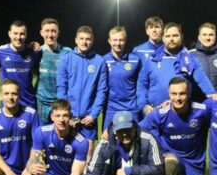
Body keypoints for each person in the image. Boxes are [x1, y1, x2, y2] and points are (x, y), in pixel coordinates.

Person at [138, 77, 210, 175]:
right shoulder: (161, 113)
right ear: (168, 94)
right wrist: (110, 132)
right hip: (171, 156)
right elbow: (138, 130)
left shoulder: (202, 111)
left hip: (194, 162)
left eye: (182, 94)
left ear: (188, 94)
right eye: (174, 94)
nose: (178, 98)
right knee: (171, 162)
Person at [138, 22, 216, 116]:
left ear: (181, 37)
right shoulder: (152, 60)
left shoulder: (190, 59)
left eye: (175, 35)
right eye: (168, 36)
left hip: (181, 114)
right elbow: (142, 84)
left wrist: (212, 93)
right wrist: (144, 105)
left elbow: (201, 78)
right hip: (155, 113)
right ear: (162, 38)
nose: (171, 39)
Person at [56, 25, 107, 161]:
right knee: (68, 151)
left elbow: (102, 90)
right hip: (70, 118)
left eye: (88, 39)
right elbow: (61, 88)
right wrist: (67, 114)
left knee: (89, 151)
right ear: (76, 40)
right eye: (82, 38)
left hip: (88, 118)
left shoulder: (100, 61)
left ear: (92, 40)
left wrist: (94, 114)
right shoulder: (66, 59)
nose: (85, 42)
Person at [0, 20, 42, 109]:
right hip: (7, 104)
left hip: (28, 104)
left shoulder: (34, 52)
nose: (18, 37)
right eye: (15, 33)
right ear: (9, 34)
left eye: (22, 34)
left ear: (26, 35)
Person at [103, 26, 142, 129]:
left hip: (131, 108)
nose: (118, 43)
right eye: (115, 40)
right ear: (109, 41)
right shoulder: (103, 61)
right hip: (111, 109)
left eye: (121, 40)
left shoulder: (135, 60)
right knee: (108, 142)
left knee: (135, 142)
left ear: (125, 41)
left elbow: (141, 84)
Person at [35, 18, 71, 124]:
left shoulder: (67, 52)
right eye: (47, 31)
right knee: (43, 134)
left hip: (61, 102)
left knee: (61, 136)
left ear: (58, 33)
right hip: (41, 102)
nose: (50, 34)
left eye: (53, 31)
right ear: (41, 33)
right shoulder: (37, 52)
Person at [189, 22, 217, 98]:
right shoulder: (190, 55)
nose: (208, 38)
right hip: (197, 102)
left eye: (211, 35)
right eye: (204, 35)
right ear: (199, 37)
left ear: (215, 36)